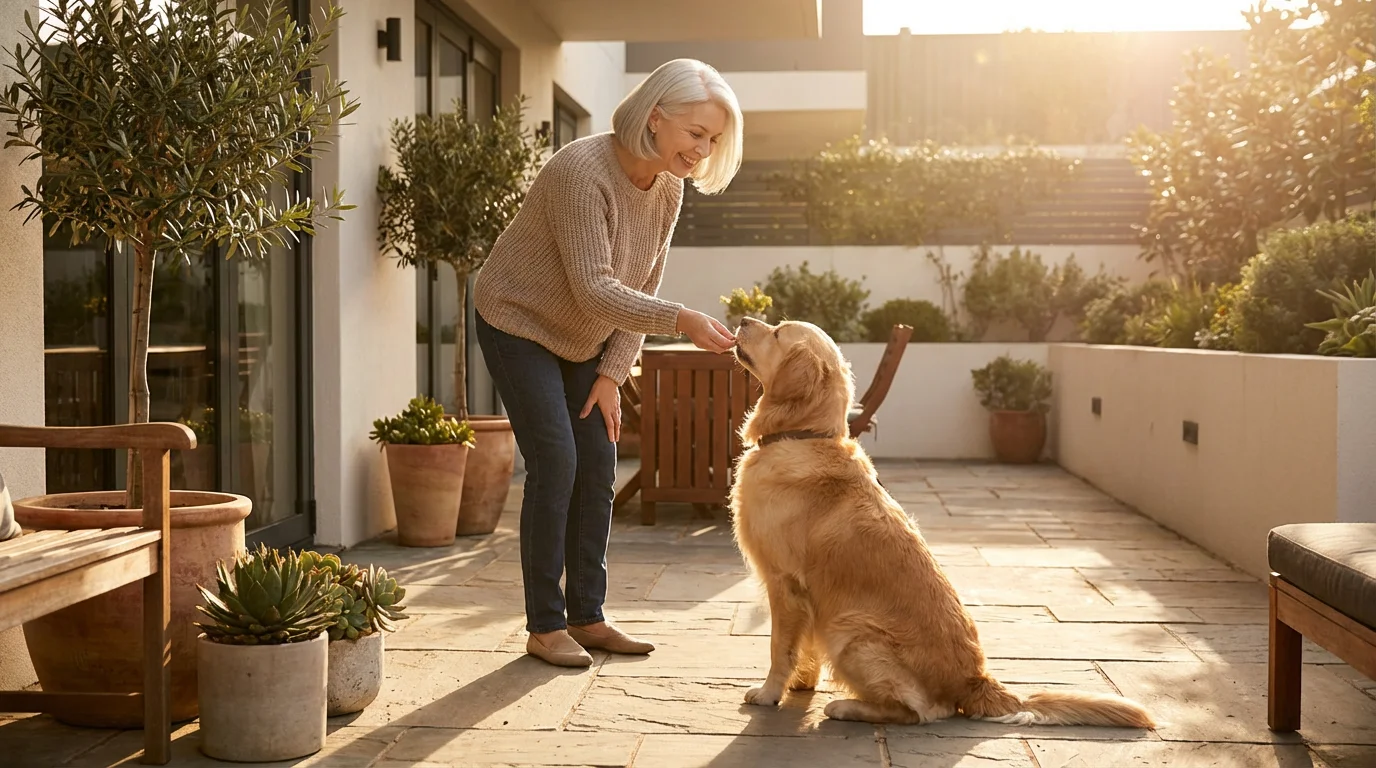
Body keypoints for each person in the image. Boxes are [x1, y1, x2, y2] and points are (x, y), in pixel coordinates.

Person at [472, 58, 744, 667]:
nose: (703, 150)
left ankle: (587, 617)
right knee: (557, 460)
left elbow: (644, 277)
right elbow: (596, 286)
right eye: (695, 134)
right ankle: (545, 626)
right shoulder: (580, 172)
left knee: (598, 459)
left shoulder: (668, 187)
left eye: (714, 140)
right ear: (656, 118)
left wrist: (614, 373)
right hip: (519, 320)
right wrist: (683, 320)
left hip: (585, 336)